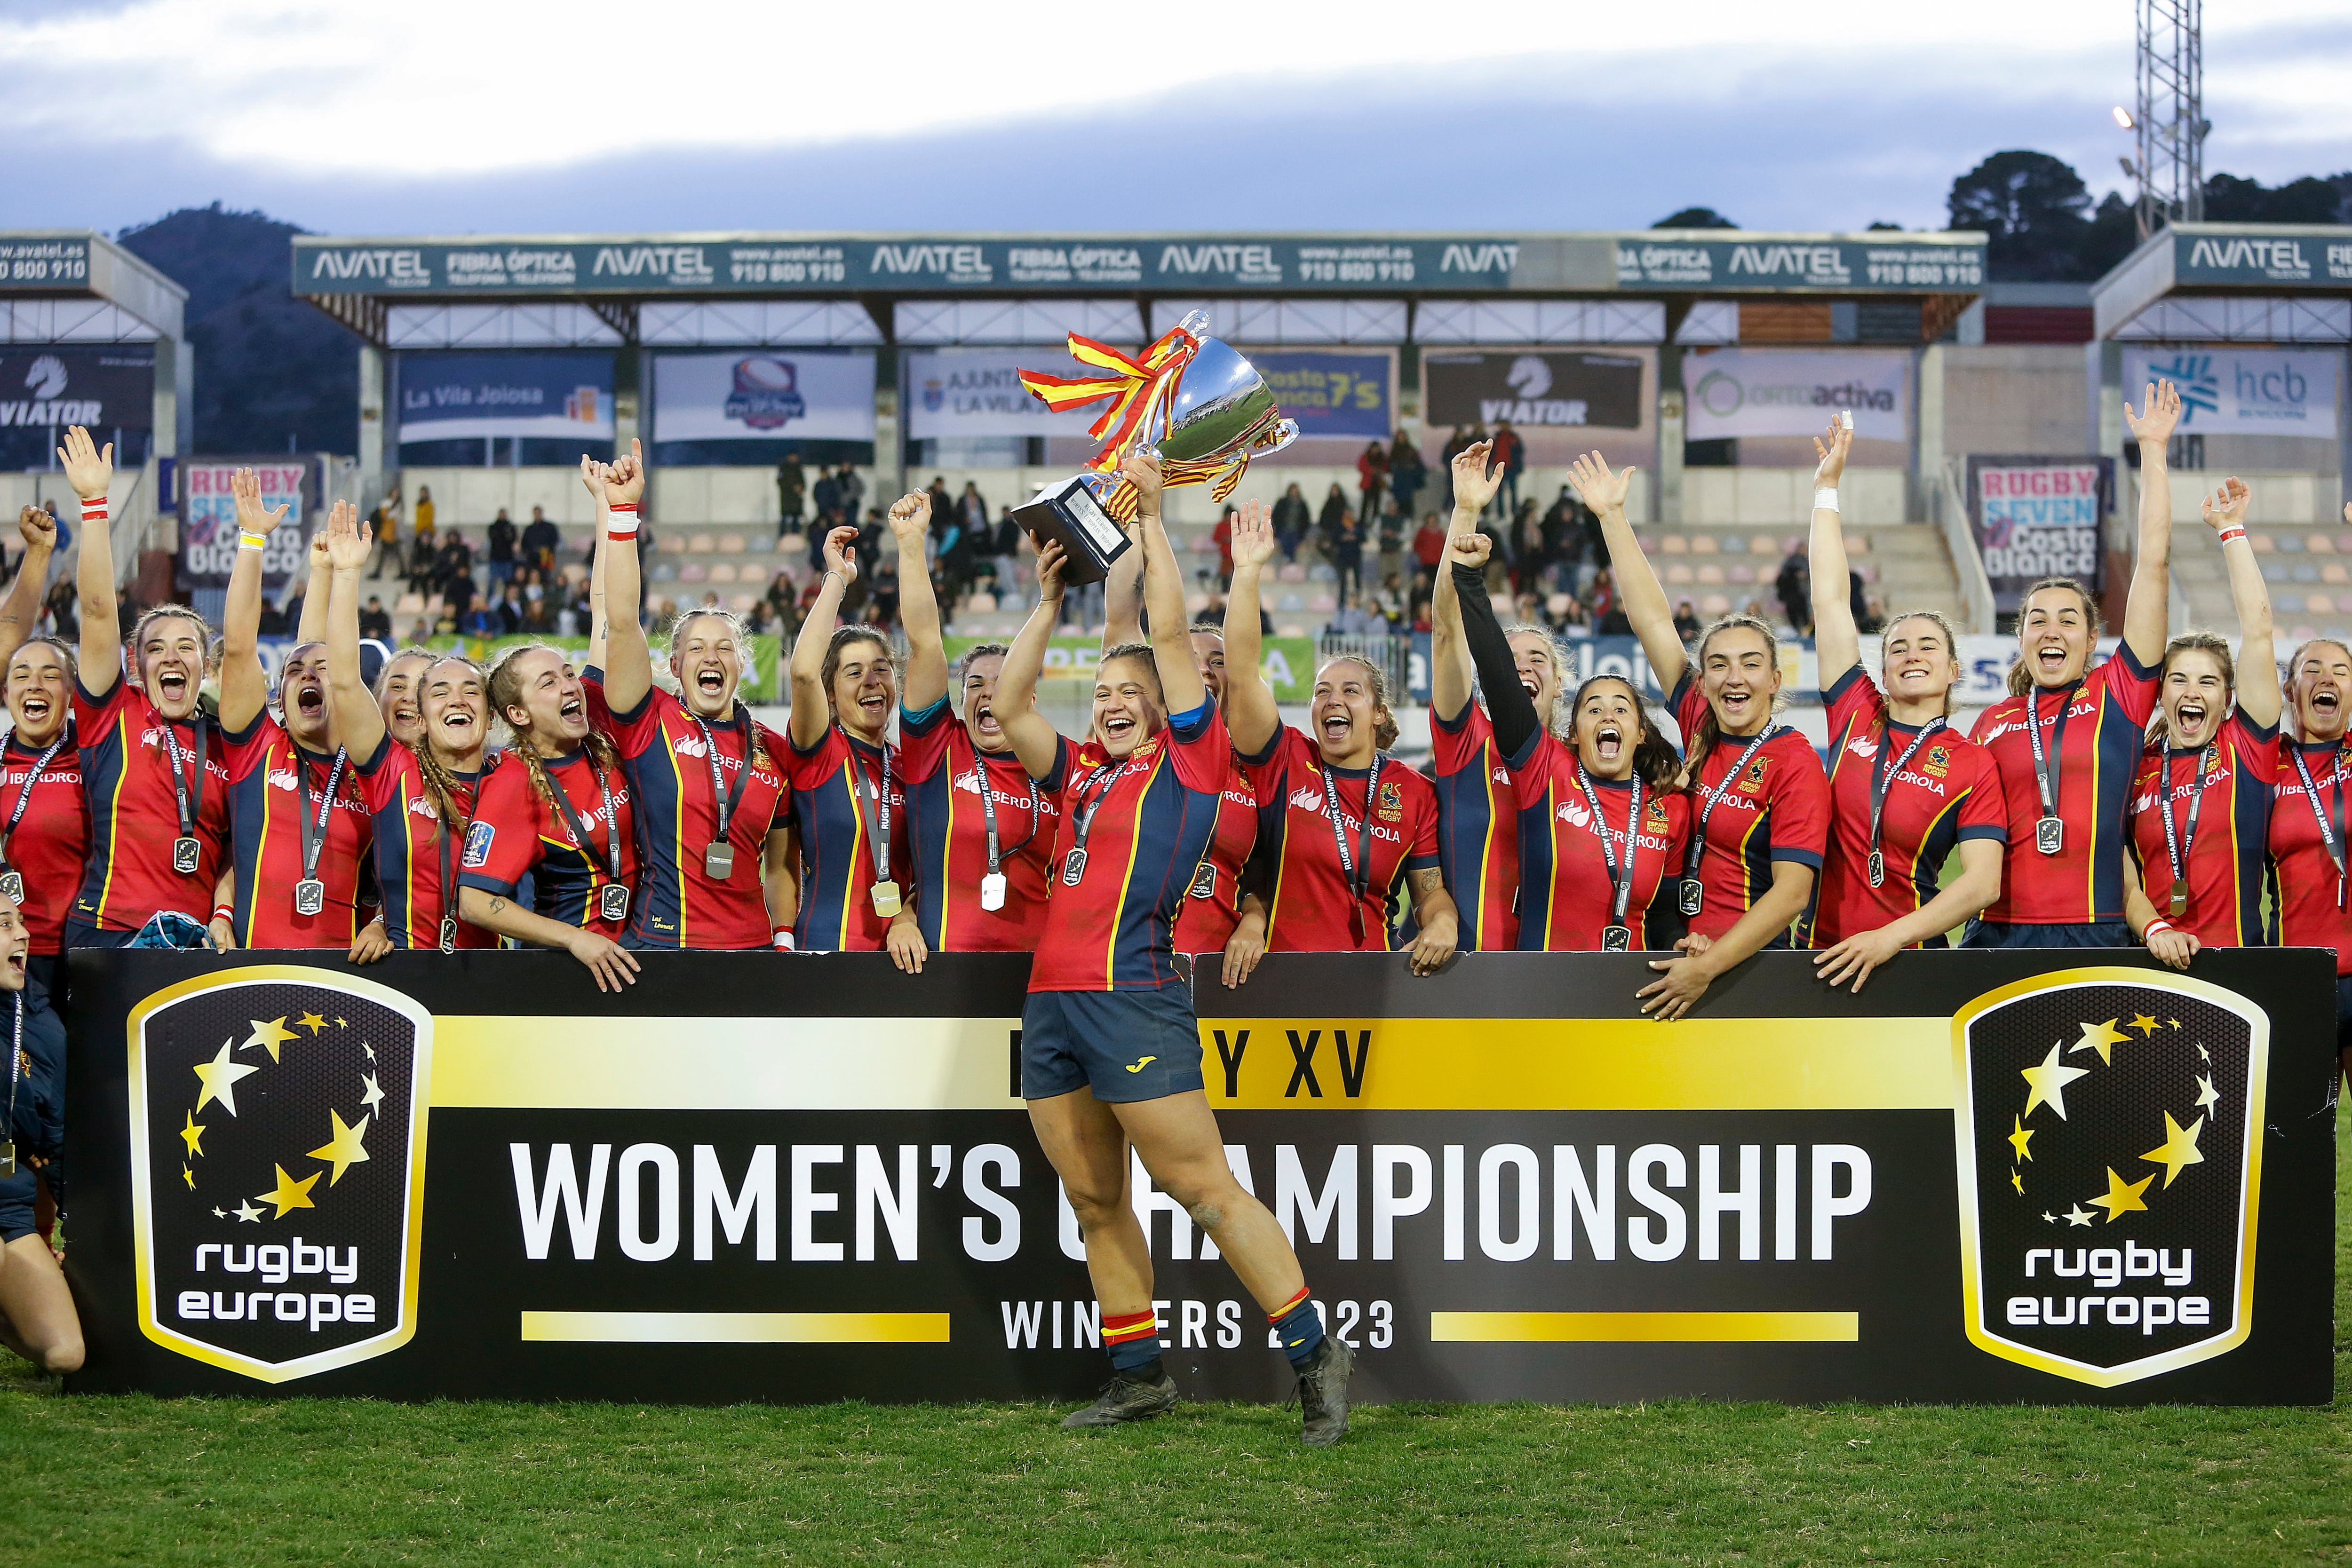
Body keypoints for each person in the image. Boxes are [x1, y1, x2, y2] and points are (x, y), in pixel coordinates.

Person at [989, 450, 1355, 1442]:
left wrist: (1152, 520)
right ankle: (1138, 1372)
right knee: (1095, 1197)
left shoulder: (1193, 762)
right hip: (1052, 1005)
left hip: (1135, 997)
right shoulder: (1080, 778)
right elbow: (1014, 705)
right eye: (1101, 691)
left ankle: (1315, 1353)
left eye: (1128, 692)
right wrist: (1048, 598)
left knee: (1202, 1187)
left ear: (1162, 706)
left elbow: (1159, 627)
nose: (1110, 701)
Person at [1576, 451, 1831, 1020]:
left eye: (1747, 664)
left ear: (1773, 679)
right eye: (1717, 664)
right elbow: (1652, 622)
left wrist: (1709, 967)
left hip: (1744, 971)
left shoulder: (1794, 762)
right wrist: (1612, 518)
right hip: (1666, 955)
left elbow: (1792, 894)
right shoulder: (1697, 718)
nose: (1731, 677)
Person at [1967, 382, 2180, 946]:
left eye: (2068, 620)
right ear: (2020, 638)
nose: (2051, 631)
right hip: (1997, 933)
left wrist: (2152, 452)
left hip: (2098, 928)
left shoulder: (2120, 695)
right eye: (2037, 620)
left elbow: (2152, 566)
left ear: (2090, 641)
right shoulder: (1989, 722)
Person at [1802, 419, 2006, 991]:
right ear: (1883, 668)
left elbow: (1981, 884)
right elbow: (1831, 599)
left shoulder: (1972, 763)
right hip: (1813, 956)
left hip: (1910, 965)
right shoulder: (1854, 712)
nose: (1911, 655)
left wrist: (1888, 937)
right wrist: (1826, 490)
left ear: (1952, 670)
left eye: (1927, 646)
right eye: (1897, 647)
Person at [1224, 503, 1459, 965]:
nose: (1332, 700)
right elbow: (1242, 676)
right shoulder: (1284, 758)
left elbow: (1428, 890)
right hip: (1276, 975)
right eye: (1321, 692)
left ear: (1377, 713)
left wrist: (1443, 921)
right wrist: (1247, 574)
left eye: (1350, 691)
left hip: (1371, 981)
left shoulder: (1414, 792)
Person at [591, 443, 797, 952]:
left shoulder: (773, 748)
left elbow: (782, 862)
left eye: (724, 648)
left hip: (752, 954)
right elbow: (620, 621)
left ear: (741, 663)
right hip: (661, 948)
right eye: (697, 649)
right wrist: (622, 516)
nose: (712, 657)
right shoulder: (649, 722)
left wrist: (784, 941)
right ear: (674, 666)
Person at [1450, 528, 1689, 950]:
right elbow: (1501, 681)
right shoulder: (1548, 772)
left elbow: (1666, 914)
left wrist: (1683, 945)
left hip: (1626, 997)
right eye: (1593, 709)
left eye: (1621, 708)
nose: (1608, 716)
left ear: (1640, 731)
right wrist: (1469, 581)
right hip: (1543, 992)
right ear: (1575, 734)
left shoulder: (1670, 806)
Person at [61, 427, 233, 948]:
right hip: (108, 931)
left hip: (193, 941)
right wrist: (94, 505)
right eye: (157, 647)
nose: (172, 657)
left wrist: (223, 913)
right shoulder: (114, 711)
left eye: (187, 647)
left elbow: (237, 849)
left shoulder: (229, 741)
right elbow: (95, 612)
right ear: (135, 662)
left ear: (205, 665)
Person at [318, 505, 499, 953]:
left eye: (468, 692)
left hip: (493, 973)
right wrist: (346, 575)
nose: (455, 701)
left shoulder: (508, 775)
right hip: (404, 970)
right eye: (437, 692)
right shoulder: (392, 771)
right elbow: (343, 678)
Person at [892, 491, 1063, 961]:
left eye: (1003, 683)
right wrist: (911, 547)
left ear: (1028, 698)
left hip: (1038, 976)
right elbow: (926, 643)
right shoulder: (936, 749)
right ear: (961, 698)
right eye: (975, 684)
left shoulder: (1054, 765)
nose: (988, 693)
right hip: (942, 972)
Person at [217, 483, 383, 957]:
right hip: (253, 968)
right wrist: (252, 540)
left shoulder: (374, 769)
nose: (306, 674)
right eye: (292, 672)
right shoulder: (257, 749)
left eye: (323, 672)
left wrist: (382, 925)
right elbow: (238, 645)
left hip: (347, 977)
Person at [2125, 477, 2277, 966]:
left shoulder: (2246, 748)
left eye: (2207, 682)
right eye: (2179, 680)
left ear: (2228, 697)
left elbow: (2257, 632)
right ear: (2160, 692)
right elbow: (2114, 864)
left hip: (2237, 965)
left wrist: (2230, 530)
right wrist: (2152, 927)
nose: (2191, 693)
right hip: (2147, 960)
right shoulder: (2134, 764)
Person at [1102, 538, 1267, 984]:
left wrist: (1254, 919)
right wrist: (1134, 521)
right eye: (1192, 662)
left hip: (1223, 973)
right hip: (1129, 970)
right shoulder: (1143, 744)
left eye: (1219, 661)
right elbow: (1121, 619)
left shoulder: (1260, 761)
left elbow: (1267, 874)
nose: (1205, 672)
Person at [459, 626, 642, 993]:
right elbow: (474, 902)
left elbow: (608, 615)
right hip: (572, 972)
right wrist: (574, 940)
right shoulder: (513, 781)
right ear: (519, 713)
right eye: (548, 683)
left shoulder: (597, 727)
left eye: (569, 674)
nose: (569, 686)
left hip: (636, 952)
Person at [1428, 440, 1558, 953]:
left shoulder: (1577, 762)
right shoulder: (1466, 740)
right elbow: (1445, 629)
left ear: (1558, 683)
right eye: (1507, 660)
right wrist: (1466, 511)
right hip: (1460, 976)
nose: (1519, 668)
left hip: (1553, 983)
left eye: (1536, 660)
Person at [785, 524, 917, 952]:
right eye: (854, 673)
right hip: (826, 950)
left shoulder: (906, 766)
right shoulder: (819, 752)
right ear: (829, 693)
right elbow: (804, 670)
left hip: (905, 954)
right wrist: (837, 580)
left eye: (881, 669)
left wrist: (908, 917)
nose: (871, 682)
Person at [0, 888, 79, 1378]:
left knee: (65, 1355)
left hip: (8, 1206)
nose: (25, 934)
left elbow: (56, 1137)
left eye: (22, 922)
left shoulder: (40, 1022)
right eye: (5, 924)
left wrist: (82, 1224)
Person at [2271, 620, 2352, 1084]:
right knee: (2306, 1145)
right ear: (2289, 689)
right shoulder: (2267, 766)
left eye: (2340, 671)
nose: (2326, 678)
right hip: (2301, 977)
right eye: (2312, 669)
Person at [0, 508, 76, 997]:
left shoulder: (97, 755)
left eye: (51, 676)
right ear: (5, 695)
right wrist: (37, 554)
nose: (35, 684)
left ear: (72, 697)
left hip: (81, 954)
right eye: (21, 676)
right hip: (10, 953)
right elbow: (7, 644)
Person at [1356, 439, 1388, 536]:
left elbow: (1386, 467)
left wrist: (1379, 472)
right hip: (1368, 484)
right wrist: (1371, 471)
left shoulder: (1382, 458)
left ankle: (1375, 523)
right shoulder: (1366, 457)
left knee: (1376, 505)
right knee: (1365, 504)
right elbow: (1361, 466)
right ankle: (1362, 523)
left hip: (1377, 484)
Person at [1271, 483, 1309, 563]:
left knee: (1294, 548)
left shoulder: (1302, 504)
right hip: (1283, 531)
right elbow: (1276, 516)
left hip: (1297, 532)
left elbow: (1306, 520)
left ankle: (1292, 564)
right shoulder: (1282, 503)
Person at [521, 506, 561, 573]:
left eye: (538, 513)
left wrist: (547, 549)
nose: (537, 515)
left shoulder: (550, 528)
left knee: (545, 575)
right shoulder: (529, 529)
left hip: (546, 557)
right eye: (535, 513)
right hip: (532, 558)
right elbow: (524, 543)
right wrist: (528, 552)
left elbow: (554, 540)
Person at [486, 508, 518, 588]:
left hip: (507, 558)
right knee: (493, 581)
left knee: (508, 581)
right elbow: (494, 538)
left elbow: (513, 538)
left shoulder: (510, 527)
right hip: (496, 558)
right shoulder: (493, 527)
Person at [777, 455, 805, 532]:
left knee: (796, 520)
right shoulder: (784, 468)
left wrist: (801, 488)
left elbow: (803, 483)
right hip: (787, 500)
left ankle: (795, 536)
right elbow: (780, 482)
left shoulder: (799, 468)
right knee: (785, 519)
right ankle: (782, 538)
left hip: (796, 501)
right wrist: (793, 487)